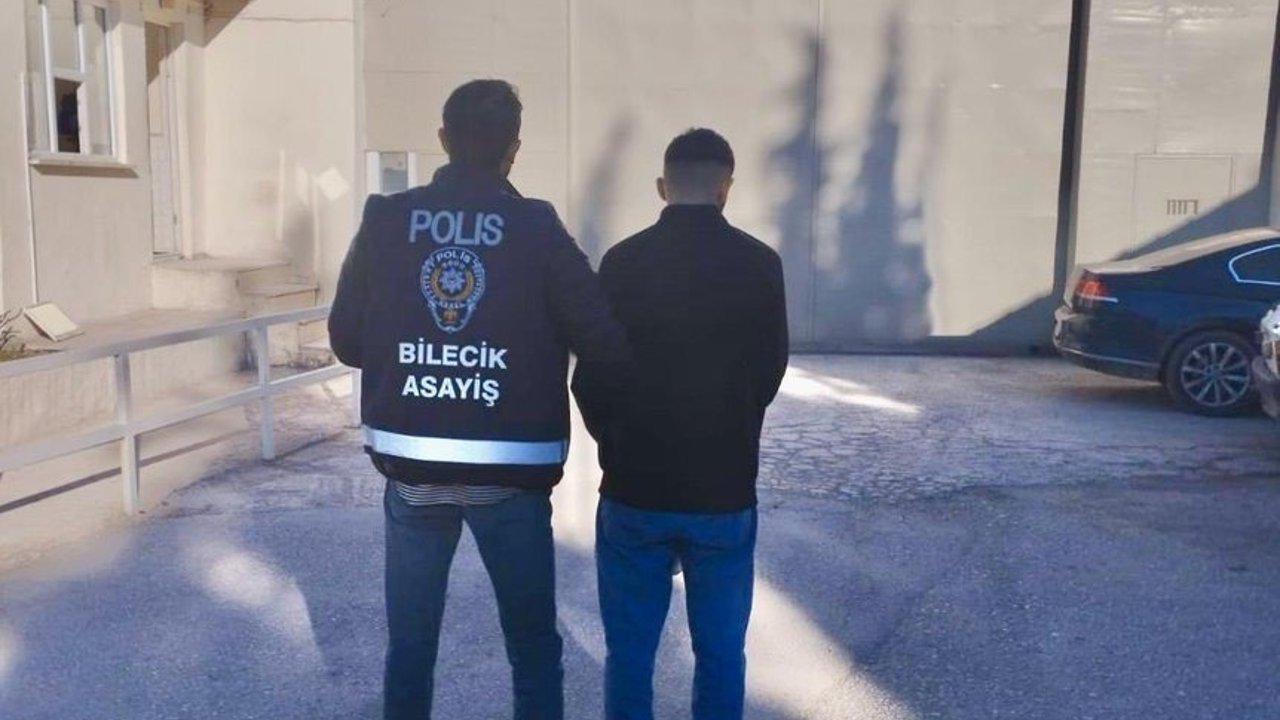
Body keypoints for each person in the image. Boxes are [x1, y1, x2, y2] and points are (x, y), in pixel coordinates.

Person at [329, 79, 629, 720]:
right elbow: (601, 338)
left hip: (414, 473)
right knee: (532, 647)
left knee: (411, 648)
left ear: (443, 139)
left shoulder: (386, 218)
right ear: (513, 149)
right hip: (510, 478)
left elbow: (346, 341)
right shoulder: (536, 226)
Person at [573, 128, 790, 720]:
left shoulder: (622, 263)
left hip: (634, 489)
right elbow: (769, 372)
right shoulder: (760, 264)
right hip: (723, 491)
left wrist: (618, 444)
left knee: (629, 654)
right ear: (726, 189)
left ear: (662, 187)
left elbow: (590, 378)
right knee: (721, 653)